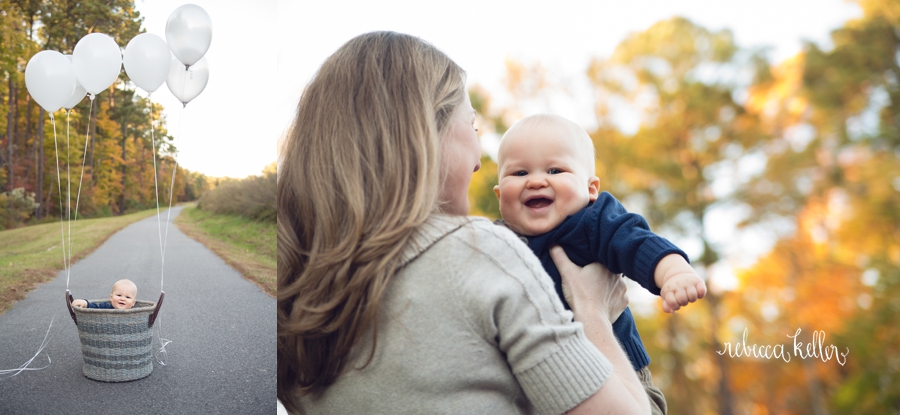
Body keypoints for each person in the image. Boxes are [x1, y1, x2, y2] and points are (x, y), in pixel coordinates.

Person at [277, 31, 652, 414]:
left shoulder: (294, 289)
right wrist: (592, 312)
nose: (478, 157)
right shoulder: (480, 253)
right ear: (425, 132)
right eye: (473, 127)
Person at [492, 114, 709, 414]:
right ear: (500, 195)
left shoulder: (593, 222)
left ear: (591, 189)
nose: (536, 180)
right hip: (541, 379)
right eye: (519, 173)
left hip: (618, 372)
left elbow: (637, 242)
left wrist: (673, 272)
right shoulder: (496, 242)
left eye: (555, 170)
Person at [71, 279, 138, 310]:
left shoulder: (135, 313)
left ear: (133, 302)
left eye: (128, 297)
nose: (122, 299)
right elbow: (95, 308)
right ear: (111, 298)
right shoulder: (106, 308)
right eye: (119, 295)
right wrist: (86, 303)